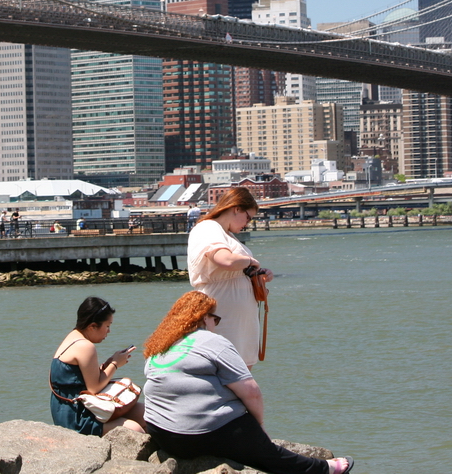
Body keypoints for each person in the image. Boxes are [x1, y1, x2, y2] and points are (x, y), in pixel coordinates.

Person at [142, 292, 353, 474]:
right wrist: (258, 427)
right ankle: (323, 469)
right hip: (203, 434)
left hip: (164, 435)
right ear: (204, 317)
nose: (216, 325)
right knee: (268, 454)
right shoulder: (212, 341)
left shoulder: (159, 348)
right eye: (216, 319)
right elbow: (251, 392)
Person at [187, 187, 273, 367]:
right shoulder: (209, 227)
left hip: (234, 318)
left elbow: (234, 265)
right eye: (248, 217)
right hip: (222, 315)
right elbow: (225, 260)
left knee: (237, 378)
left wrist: (257, 273)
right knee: (226, 375)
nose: (247, 223)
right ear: (236, 208)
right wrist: (250, 261)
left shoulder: (227, 234)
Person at [50, 296, 145, 436]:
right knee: (135, 430)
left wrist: (107, 364)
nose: (109, 331)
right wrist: (115, 364)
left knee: (146, 413)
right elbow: (94, 388)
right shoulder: (85, 346)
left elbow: (79, 378)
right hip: (76, 416)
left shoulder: (74, 336)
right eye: (107, 326)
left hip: (78, 407)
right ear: (92, 326)